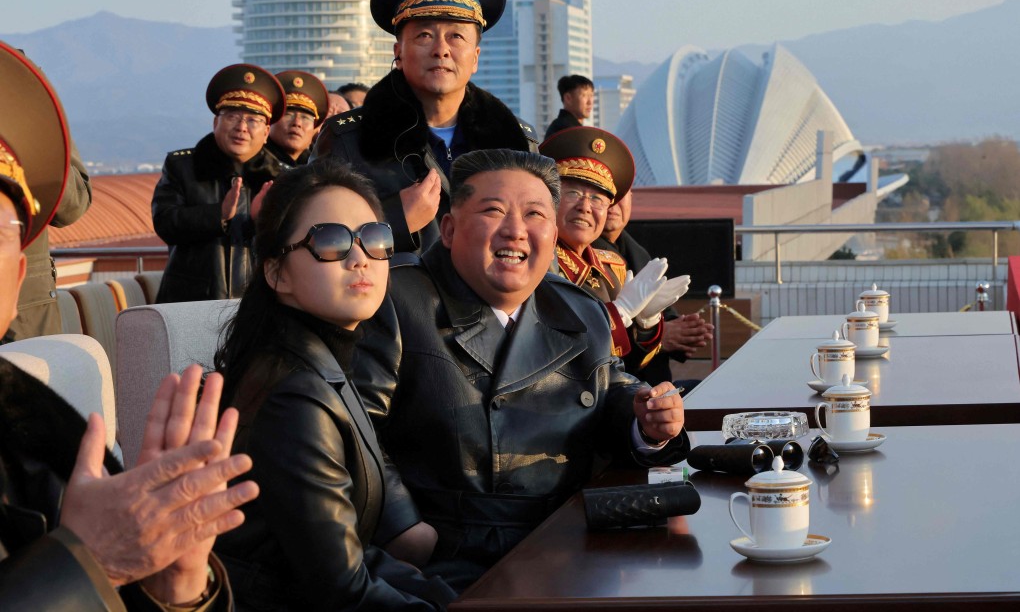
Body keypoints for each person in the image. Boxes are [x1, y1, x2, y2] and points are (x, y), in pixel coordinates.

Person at [352, 148, 691, 591]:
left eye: (534, 214)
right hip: (449, 554)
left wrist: (645, 420)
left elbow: (608, 388)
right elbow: (355, 430)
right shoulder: (398, 301)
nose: (515, 230)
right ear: (449, 229)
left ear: (551, 233)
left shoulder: (578, 307)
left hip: (571, 535)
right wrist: (403, 529)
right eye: (493, 211)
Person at [0, 40, 259, 610]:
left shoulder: (39, 437)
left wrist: (175, 587)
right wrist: (90, 561)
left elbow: (71, 203)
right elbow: (166, 220)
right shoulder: (184, 166)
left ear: (18, 275)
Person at [213, 161, 455, 610]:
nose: (359, 257)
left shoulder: (316, 358)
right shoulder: (293, 394)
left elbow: (346, 555)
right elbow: (341, 590)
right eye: (329, 240)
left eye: (374, 238)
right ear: (276, 274)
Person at [312, 0, 538, 255]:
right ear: (398, 53)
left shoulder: (517, 143)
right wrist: (395, 222)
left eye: (456, 36)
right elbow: (310, 240)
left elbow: (539, 252)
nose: (441, 50)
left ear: (475, 57)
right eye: (424, 36)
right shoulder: (349, 141)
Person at [541, 127, 690, 374]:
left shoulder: (612, 267)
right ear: (550, 199)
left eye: (598, 199)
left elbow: (630, 366)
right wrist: (619, 314)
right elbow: (561, 354)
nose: (585, 207)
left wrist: (647, 323)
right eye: (574, 193)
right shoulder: (538, 264)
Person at [152, 63, 288, 303]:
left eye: (253, 120)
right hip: (190, 302)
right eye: (233, 116)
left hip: (259, 305)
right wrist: (219, 216)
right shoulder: (183, 167)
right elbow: (164, 222)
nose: (241, 128)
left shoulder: (282, 177)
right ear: (216, 123)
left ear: (266, 132)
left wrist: (263, 222)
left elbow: (294, 242)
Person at [594, 190, 713, 386]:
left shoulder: (635, 250)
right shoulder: (581, 256)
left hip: (653, 386)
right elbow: (591, 339)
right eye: (604, 194)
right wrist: (655, 336)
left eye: (622, 193)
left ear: (631, 198)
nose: (613, 202)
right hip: (616, 393)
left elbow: (661, 310)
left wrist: (680, 331)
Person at [265, 70, 329, 167]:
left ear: (314, 130)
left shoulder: (319, 170)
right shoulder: (254, 164)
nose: (297, 123)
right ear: (270, 122)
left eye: (305, 118)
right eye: (288, 115)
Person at [543, 74, 594, 140]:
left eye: (591, 95)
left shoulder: (563, 126)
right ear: (568, 98)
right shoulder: (565, 130)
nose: (590, 102)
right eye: (584, 95)